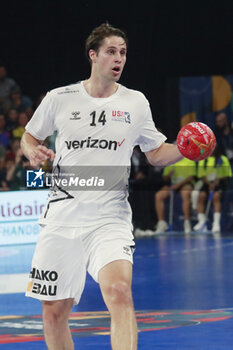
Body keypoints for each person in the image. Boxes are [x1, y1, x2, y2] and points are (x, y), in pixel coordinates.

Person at [21, 23, 183, 350]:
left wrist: (185, 149)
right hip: (62, 218)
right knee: (54, 311)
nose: (118, 58)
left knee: (120, 292)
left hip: (109, 219)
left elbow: (155, 154)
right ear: (93, 55)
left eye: (122, 52)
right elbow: (30, 135)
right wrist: (31, 150)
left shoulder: (135, 103)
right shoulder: (59, 98)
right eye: (111, 51)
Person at [193, 146, 232, 233]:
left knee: (216, 196)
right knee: (201, 196)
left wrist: (219, 179)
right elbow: (201, 174)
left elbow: (228, 174)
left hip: (219, 183)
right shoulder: (203, 159)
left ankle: (216, 223)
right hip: (207, 183)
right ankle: (202, 222)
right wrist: (209, 184)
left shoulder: (222, 159)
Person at [154, 157, 196, 234]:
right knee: (159, 195)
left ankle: (187, 222)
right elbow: (165, 178)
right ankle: (162, 223)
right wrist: (169, 175)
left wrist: (178, 185)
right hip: (173, 186)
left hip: (185, 184)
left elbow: (190, 177)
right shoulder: (170, 160)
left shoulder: (189, 160)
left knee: (185, 193)